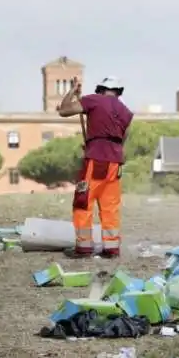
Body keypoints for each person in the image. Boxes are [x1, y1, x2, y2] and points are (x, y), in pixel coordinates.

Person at [57, 76, 133, 258]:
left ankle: (83, 247)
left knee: (83, 201)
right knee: (110, 206)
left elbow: (64, 110)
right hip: (115, 162)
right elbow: (123, 138)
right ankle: (111, 248)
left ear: (100, 89)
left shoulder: (94, 99)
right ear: (118, 92)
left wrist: (72, 92)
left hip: (97, 160)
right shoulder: (125, 111)